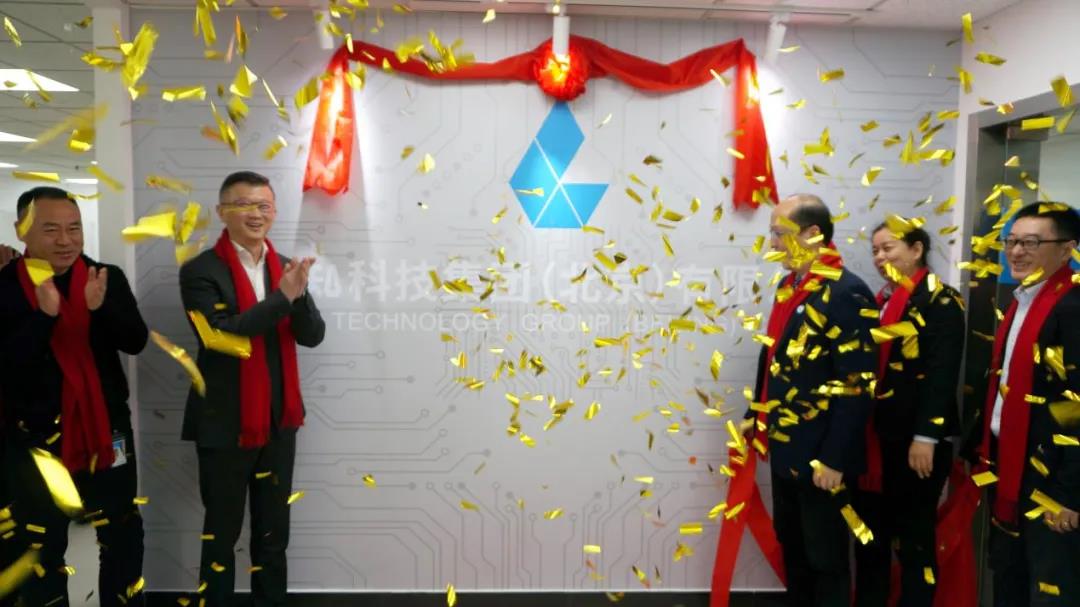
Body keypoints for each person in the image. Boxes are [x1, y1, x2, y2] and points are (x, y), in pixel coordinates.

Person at [180, 171, 325, 606]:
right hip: (225, 425)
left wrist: (296, 297)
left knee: (273, 535)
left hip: (279, 423)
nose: (255, 214)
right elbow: (221, 336)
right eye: (244, 205)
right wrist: (282, 298)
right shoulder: (200, 271)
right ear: (222, 211)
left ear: (274, 212)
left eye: (264, 206)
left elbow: (312, 335)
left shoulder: (285, 268)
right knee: (221, 536)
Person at [0, 187, 148, 606]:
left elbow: (135, 341)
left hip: (106, 430)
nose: (66, 240)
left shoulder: (104, 276)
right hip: (34, 438)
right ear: (22, 230)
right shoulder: (6, 287)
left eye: (74, 228)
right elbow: (8, 365)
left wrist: (100, 309)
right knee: (40, 541)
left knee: (122, 531)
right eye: (51, 230)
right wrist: (45, 317)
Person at [741, 193, 878, 607]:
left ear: (813, 234)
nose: (772, 244)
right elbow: (772, 358)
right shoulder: (790, 286)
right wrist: (756, 413)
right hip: (786, 446)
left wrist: (834, 459)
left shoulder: (847, 293)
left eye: (779, 233)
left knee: (826, 558)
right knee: (794, 550)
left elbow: (856, 385)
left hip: (822, 456)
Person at [968, 202, 1079, 606]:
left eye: (1031, 243)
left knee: (1049, 587)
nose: (1016, 252)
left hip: (1050, 472)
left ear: (1067, 249)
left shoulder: (1072, 307)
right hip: (1007, 461)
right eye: (1011, 241)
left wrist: (1069, 494)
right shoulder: (1021, 301)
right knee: (1008, 578)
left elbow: (1076, 408)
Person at [852, 220, 965, 606]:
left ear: (916, 250)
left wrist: (925, 437)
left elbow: (941, 373)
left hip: (915, 445)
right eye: (875, 250)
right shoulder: (879, 301)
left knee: (914, 542)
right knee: (869, 540)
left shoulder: (941, 300)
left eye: (889, 248)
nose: (880, 257)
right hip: (875, 442)